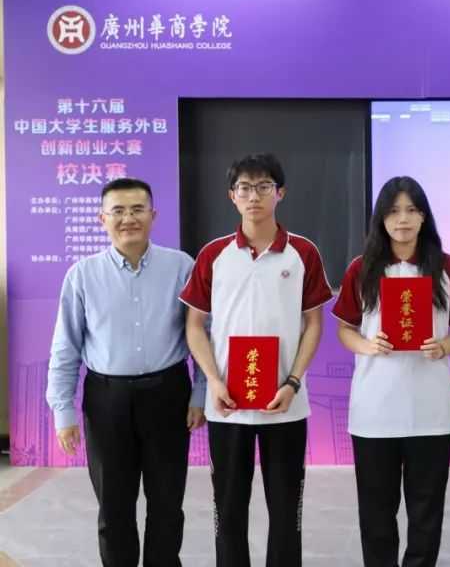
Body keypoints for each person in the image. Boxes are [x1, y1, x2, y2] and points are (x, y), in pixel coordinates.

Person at [181, 153, 333, 567]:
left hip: (285, 404)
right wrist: (214, 382)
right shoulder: (214, 254)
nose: (254, 196)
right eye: (244, 188)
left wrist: (293, 382)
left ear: (280, 193)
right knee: (228, 509)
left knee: (286, 511)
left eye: (264, 187)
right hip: (228, 405)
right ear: (232, 196)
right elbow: (195, 326)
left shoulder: (303, 252)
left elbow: (313, 324)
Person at [46, 177, 205, 567]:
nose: (128, 218)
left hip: (168, 395)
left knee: (167, 502)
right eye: (117, 210)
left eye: (137, 209)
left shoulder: (181, 267)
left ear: (153, 215)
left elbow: (204, 333)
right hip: (107, 400)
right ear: (102, 219)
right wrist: (63, 410)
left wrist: (201, 392)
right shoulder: (82, 275)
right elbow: (65, 347)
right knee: (114, 506)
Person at [332, 176, 450, 567]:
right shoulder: (362, 268)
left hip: (431, 410)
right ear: (381, 218)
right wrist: (368, 345)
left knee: (426, 512)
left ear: (424, 217)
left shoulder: (445, 266)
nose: (403, 219)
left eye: (412, 210)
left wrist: (443, 346)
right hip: (375, 410)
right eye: (394, 211)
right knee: (376, 513)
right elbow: (345, 330)